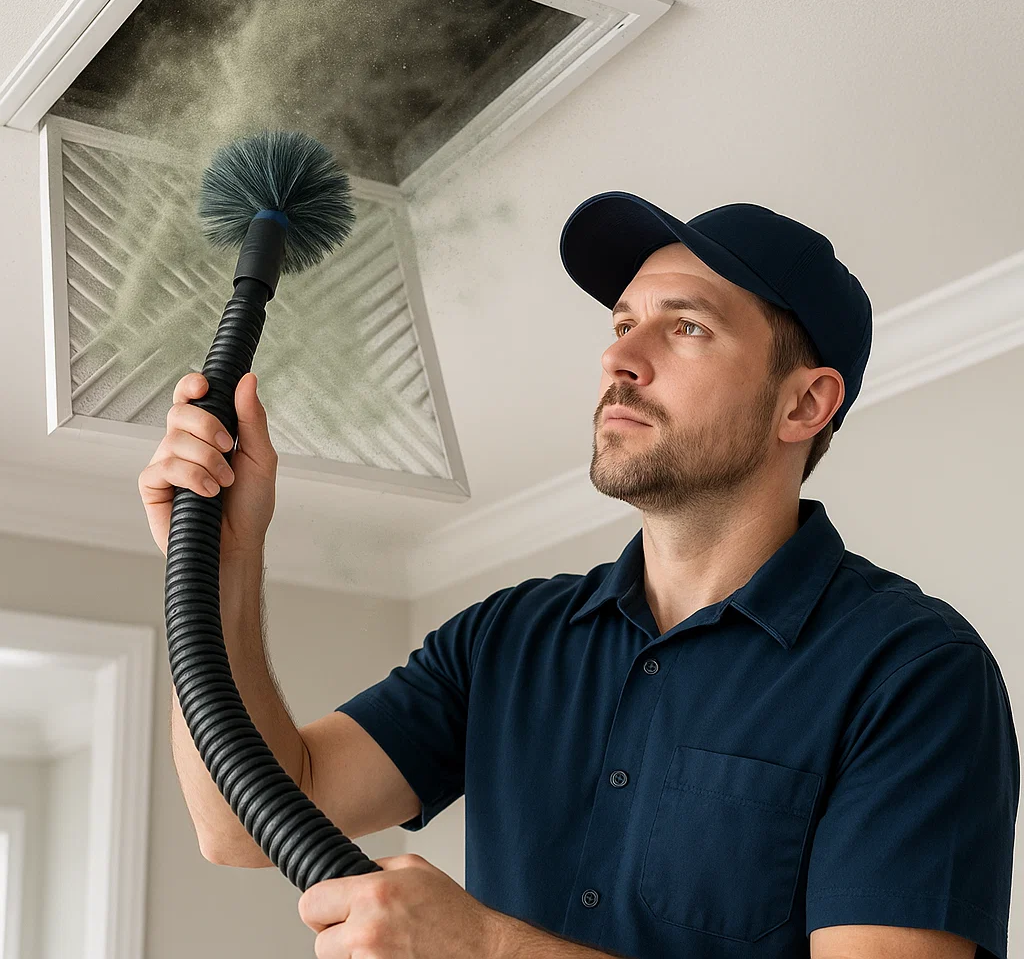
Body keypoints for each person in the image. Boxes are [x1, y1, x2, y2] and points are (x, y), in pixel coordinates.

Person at [139, 193, 1018, 959]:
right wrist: (224, 550)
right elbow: (242, 820)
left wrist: (487, 949)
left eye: (687, 327)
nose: (620, 359)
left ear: (804, 404)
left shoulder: (913, 673)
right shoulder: (507, 640)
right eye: (622, 323)